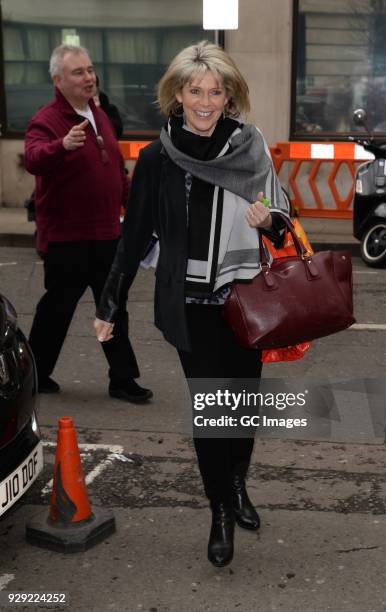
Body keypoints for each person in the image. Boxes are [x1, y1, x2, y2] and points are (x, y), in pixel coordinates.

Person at [94, 41, 290, 566]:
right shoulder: (158, 157)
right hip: (190, 302)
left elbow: (282, 210)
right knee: (213, 411)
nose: (206, 101)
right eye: (195, 90)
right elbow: (133, 236)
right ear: (177, 95)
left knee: (243, 406)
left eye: (216, 90)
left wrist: (268, 219)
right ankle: (220, 512)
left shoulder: (251, 145)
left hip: (246, 296)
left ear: (230, 96)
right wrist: (108, 305)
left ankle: (237, 484)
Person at [24, 44, 152, 404]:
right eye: (78, 72)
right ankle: (35, 374)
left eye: (90, 70)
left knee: (113, 307)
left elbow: (114, 169)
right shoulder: (46, 120)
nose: (88, 77)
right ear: (58, 80)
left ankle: (123, 380)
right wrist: (61, 145)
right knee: (56, 310)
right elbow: (33, 158)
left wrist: (133, 204)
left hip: (107, 234)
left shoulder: (100, 114)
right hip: (67, 239)